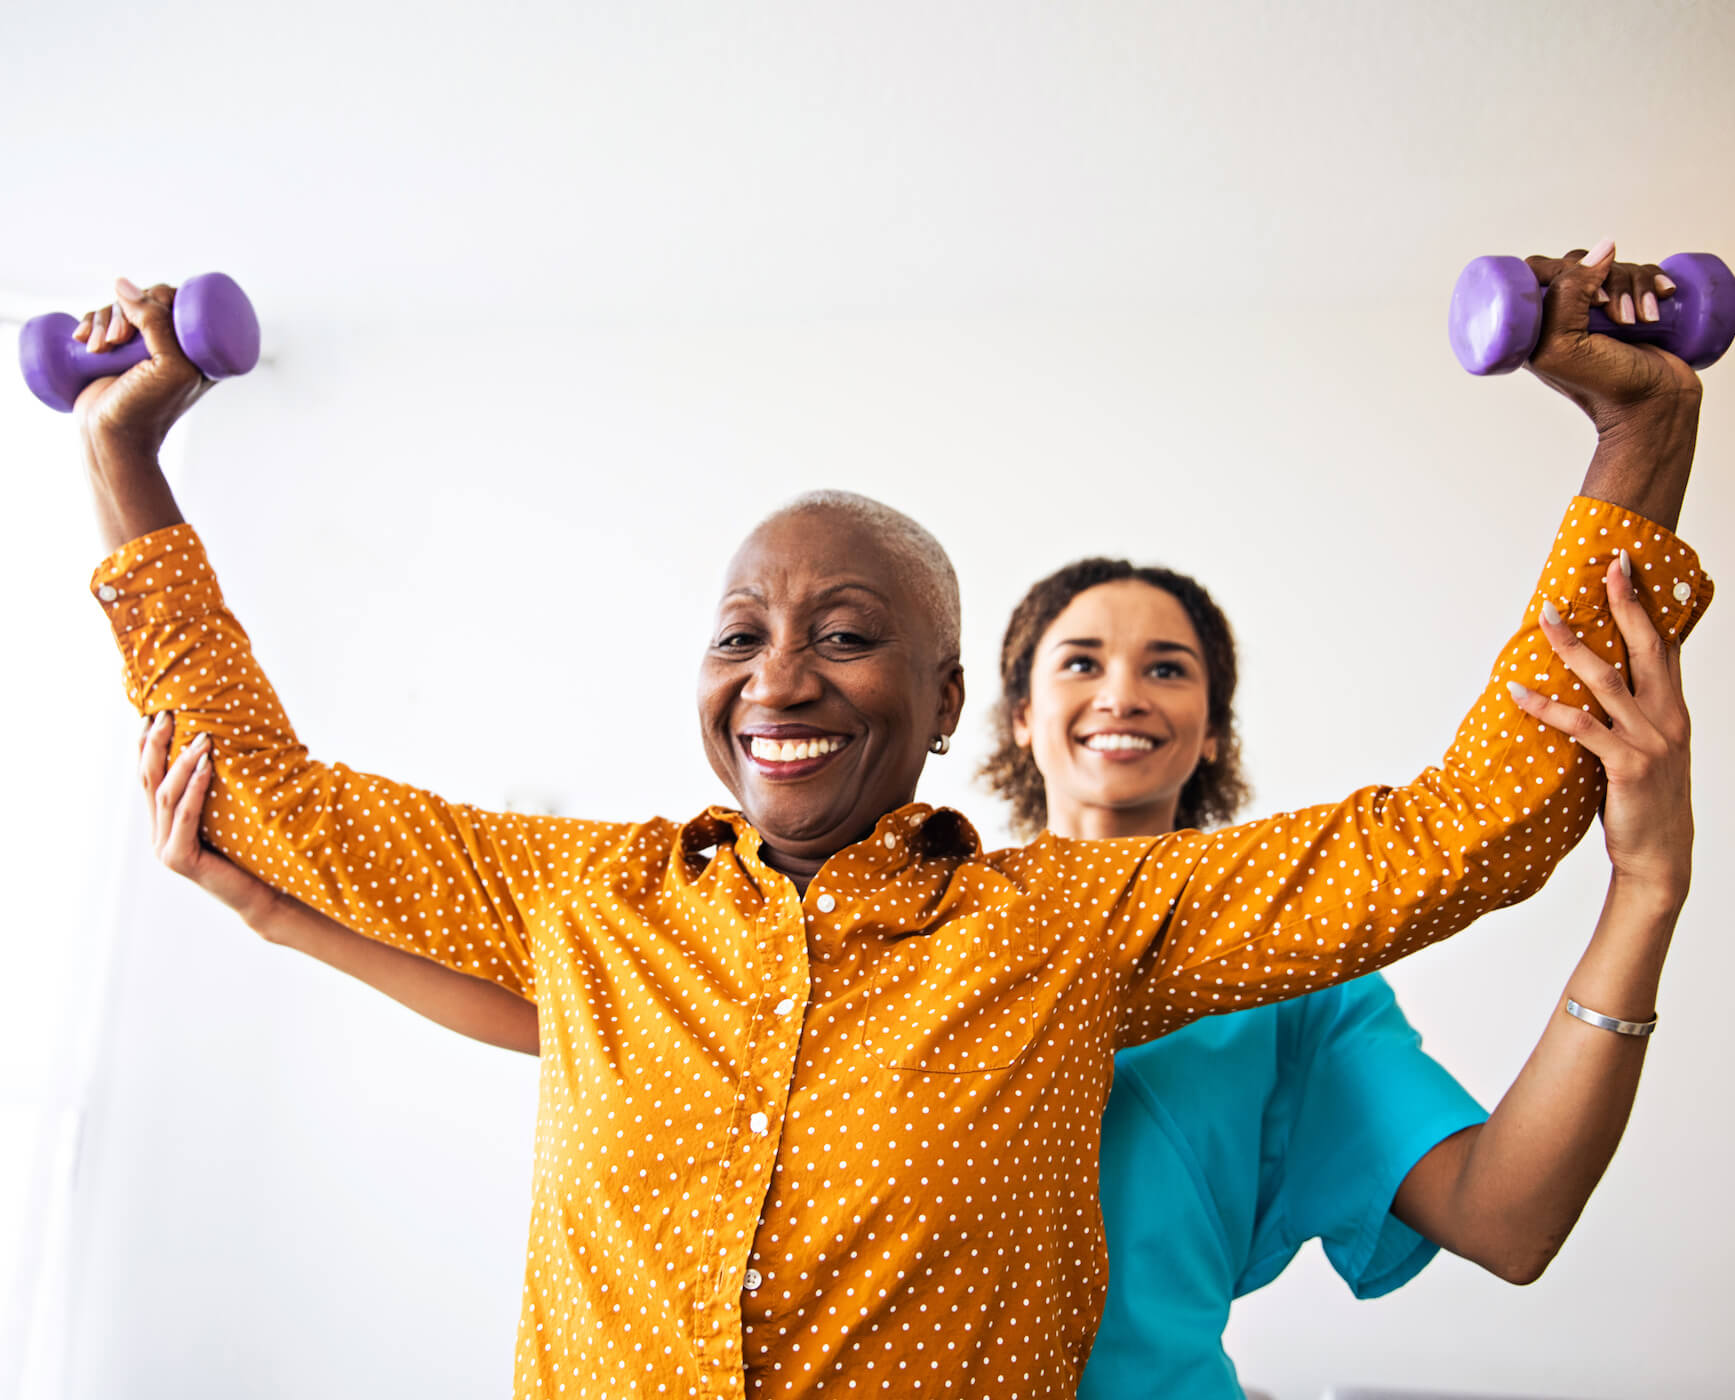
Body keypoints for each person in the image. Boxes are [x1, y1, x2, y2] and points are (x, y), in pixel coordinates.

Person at [75, 242, 1708, 1399]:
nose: (779, 673)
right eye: (740, 632)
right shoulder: (593, 907)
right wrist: (120, 450)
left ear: (941, 712)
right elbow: (275, 806)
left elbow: (1472, 829)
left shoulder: (1075, 928)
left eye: (845, 633)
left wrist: (1643, 436)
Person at [978, 552, 1694, 1398]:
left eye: (1166, 668)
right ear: (1021, 716)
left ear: (1213, 730)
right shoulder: (924, 940)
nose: (1122, 693)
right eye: (1080, 662)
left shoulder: (1292, 987)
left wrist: (1646, 887)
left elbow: (1507, 1220)